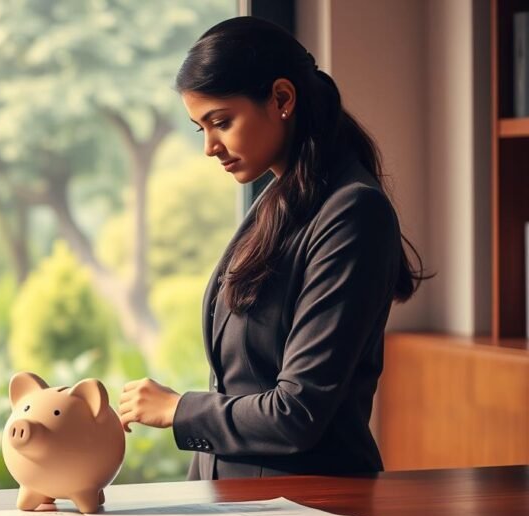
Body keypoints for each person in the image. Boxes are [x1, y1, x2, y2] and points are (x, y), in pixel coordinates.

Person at [117, 16, 433, 480]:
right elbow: (237, 383)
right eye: (199, 128)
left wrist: (179, 409)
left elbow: (298, 412)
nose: (210, 147)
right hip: (241, 509)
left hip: (309, 510)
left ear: (282, 99)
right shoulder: (277, 201)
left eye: (221, 122)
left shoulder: (353, 213)